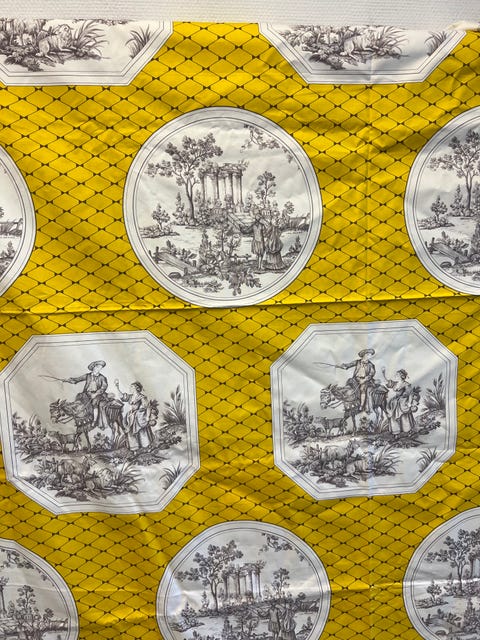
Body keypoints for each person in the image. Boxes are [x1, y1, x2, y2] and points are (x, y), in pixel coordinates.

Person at [65, 360, 108, 427]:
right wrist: (69, 380)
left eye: (100, 368)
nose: (99, 369)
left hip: (98, 394)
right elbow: (77, 379)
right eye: (98, 367)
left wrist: (95, 394)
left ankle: (94, 421)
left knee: (94, 403)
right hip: (87, 393)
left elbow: (103, 387)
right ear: (94, 367)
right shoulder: (88, 375)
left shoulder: (102, 378)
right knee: (79, 399)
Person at [114, 380, 154, 450]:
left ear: (137, 388)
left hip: (140, 415)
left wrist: (147, 416)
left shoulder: (142, 397)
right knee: (130, 430)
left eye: (132, 387)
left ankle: (146, 446)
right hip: (131, 415)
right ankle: (134, 448)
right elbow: (122, 396)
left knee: (141, 430)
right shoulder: (130, 396)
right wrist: (117, 387)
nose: (130, 388)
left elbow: (148, 407)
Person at [382, 368, 417, 434]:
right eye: (396, 375)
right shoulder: (395, 384)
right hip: (395, 401)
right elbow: (387, 382)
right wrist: (383, 374)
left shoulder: (406, 384)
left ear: (402, 376)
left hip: (403, 401)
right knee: (392, 410)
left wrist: (409, 403)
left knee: (403, 415)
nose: (395, 376)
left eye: (397, 375)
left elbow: (410, 394)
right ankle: (396, 431)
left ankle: (407, 430)